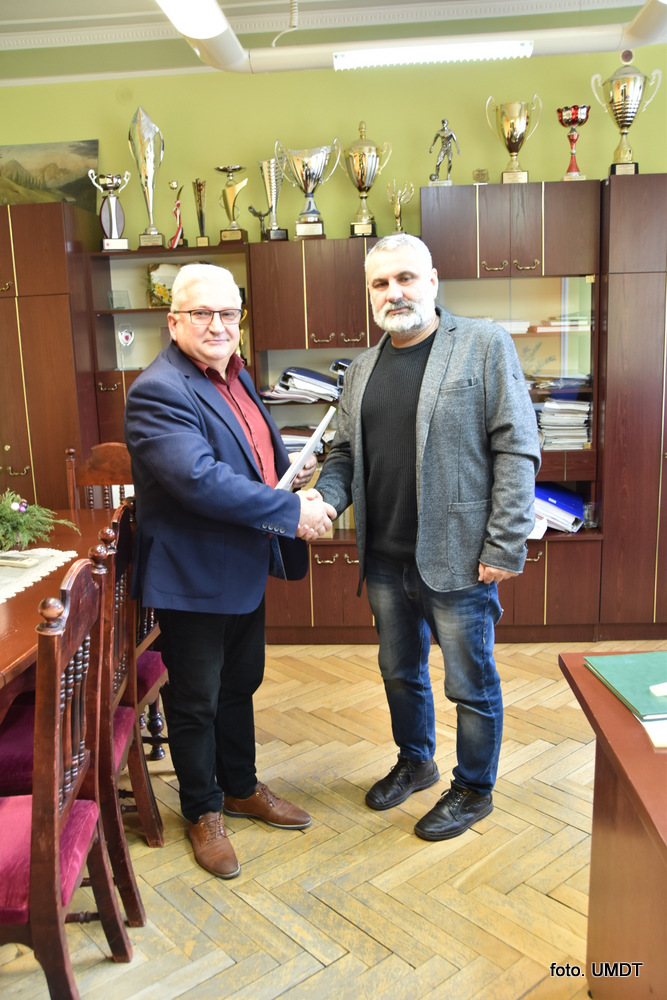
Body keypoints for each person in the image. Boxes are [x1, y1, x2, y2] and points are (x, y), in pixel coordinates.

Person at [315, 234, 540, 841]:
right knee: (399, 671)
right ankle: (416, 761)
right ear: (370, 294)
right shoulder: (361, 369)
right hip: (385, 558)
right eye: (381, 283)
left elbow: (517, 446)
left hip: (459, 556)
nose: (395, 292)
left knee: (470, 683)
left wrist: (505, 543)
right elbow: (344, 454)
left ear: (433, 281)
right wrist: (325, 500)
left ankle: (473, 789)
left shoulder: (482, 344)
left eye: (406, 278)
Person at [124, 263, 336, 878]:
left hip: (242, 563)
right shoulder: (159, 389)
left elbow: (250, 456)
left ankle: (240, 787)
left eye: (228, 313)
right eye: (202, 313)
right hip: (193, 574)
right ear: (174, 321)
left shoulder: (237, 376)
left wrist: (291, 474)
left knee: (240, 682)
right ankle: (202, 809)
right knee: (196, 699)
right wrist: (290, 511)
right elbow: (199, 480)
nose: (217, 325)